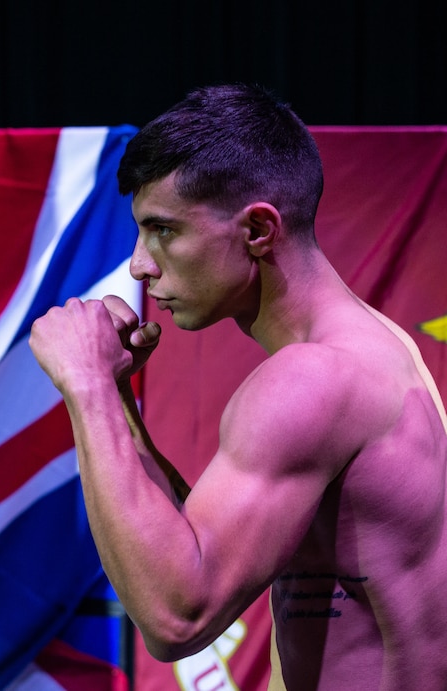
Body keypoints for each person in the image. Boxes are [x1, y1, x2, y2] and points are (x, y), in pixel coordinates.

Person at [29, 84, 447, 689]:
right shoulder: (374, 348)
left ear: (257, 229)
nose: (141, 265)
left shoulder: (313, 379)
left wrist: (87, 386)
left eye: (163, 231)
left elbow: (177, 617)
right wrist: (117, 398)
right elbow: (191, 551)